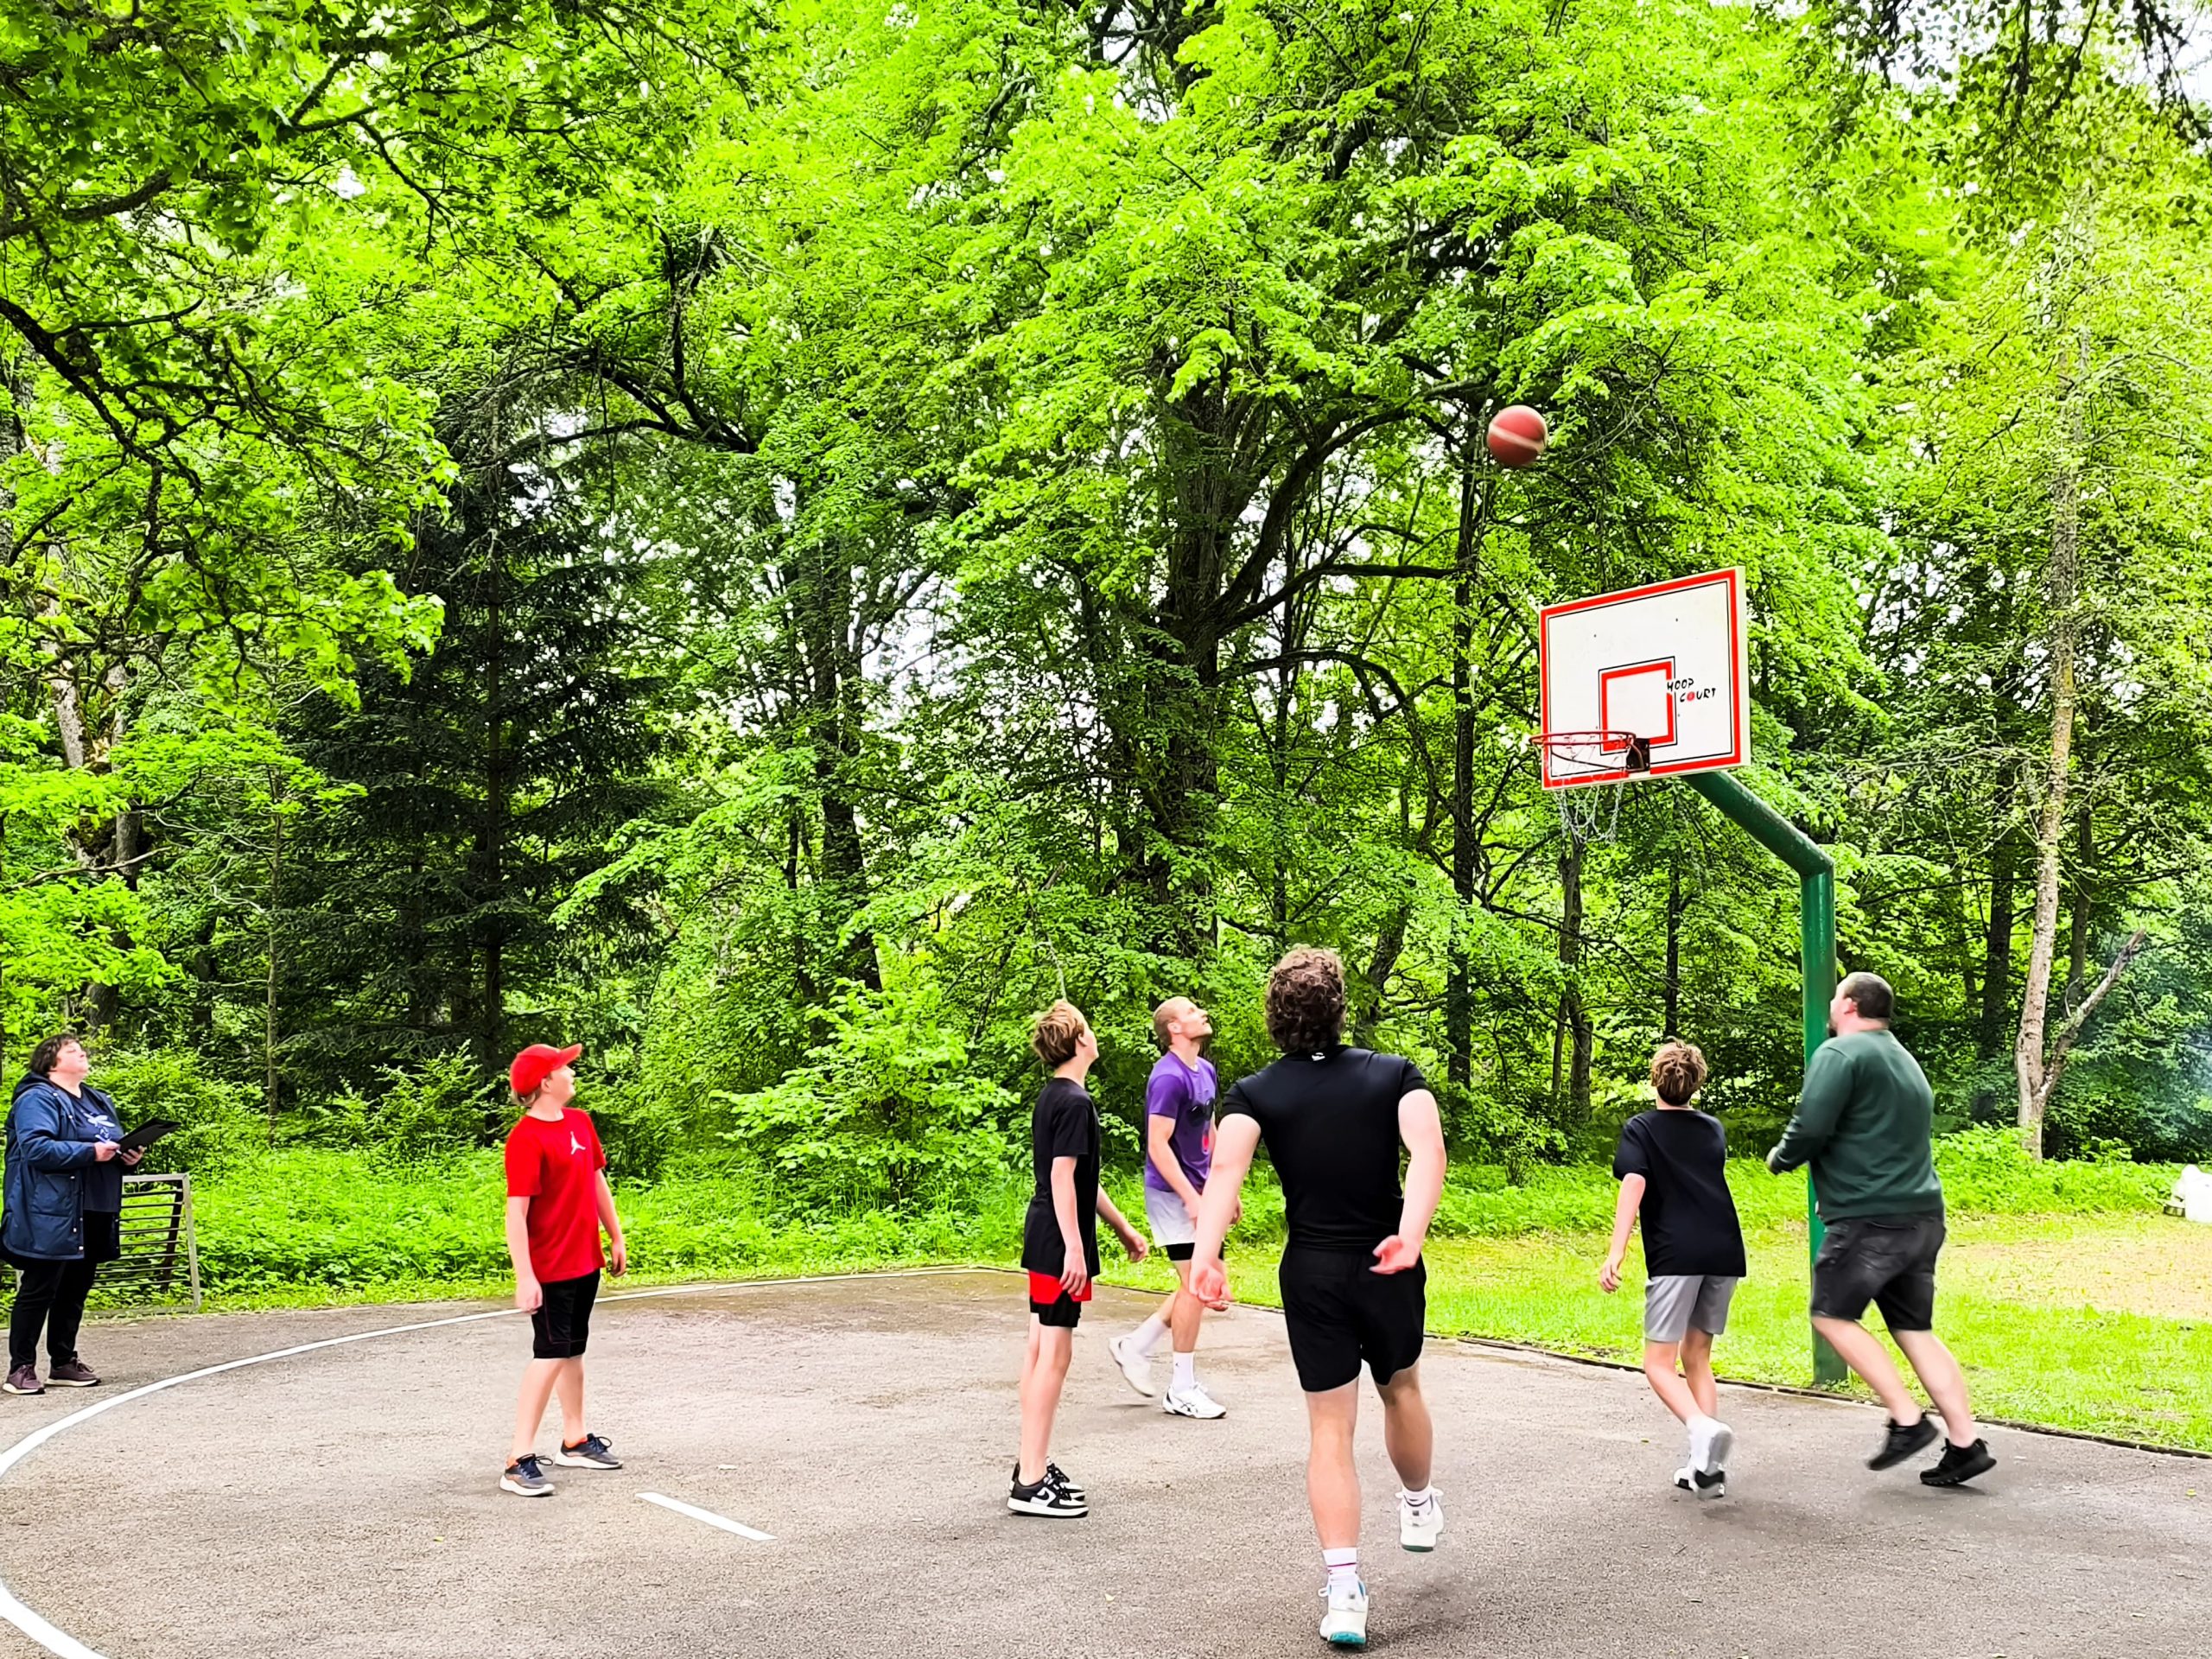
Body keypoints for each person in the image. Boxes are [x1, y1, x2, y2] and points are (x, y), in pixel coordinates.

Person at [1190, 949, 1446, 1649]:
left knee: (1329, 1430)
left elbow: (1225, 1172)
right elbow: (1428, 1151)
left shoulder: (1254, 1094)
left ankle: (1344, 1592)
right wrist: (1409, 1237)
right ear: (1340, 1010)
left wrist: (1206, 1258)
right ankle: (1418, 1505)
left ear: (1275, 1018)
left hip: (1311, 1272)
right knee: (1401, 1389)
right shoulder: (1394, 1074)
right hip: (1387, 1264)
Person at [1768, 972, 1995, 1488]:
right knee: (1915, 1329)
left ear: (1849, 1005)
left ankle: (1907, 1420)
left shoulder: (1840, 1053)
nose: (1831, 1005)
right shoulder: (1903, 1059)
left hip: (1870, 1219)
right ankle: (1965, 1444)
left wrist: (1781, 1157)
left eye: (1835, 998)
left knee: (1831, 1316)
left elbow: (1811, 1125)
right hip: (1921, 1215)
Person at [1010, 1000, 1148, 1519]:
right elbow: (1062, 1177)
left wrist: (1123, 1228)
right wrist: (1073, 1247)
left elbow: (1083, 1180)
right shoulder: (1074, 1102)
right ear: (1080, 1042)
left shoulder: (1058, 1096)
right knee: (1054, 1356)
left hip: (1046, 1234)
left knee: (1039, 1351)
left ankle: (1030, 1465)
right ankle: (1030, 1479)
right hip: (1056, 1241)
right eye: (1087, 1029)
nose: (1094, 1035)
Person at [1599, 1040, 1745, 1497]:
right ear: (1696, 1082)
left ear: (1654, 1079)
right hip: (1725, 1250)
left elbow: (1634, 1183)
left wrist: (1616, 1251)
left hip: (1677, 1253)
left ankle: (1702, 1428)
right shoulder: (1712, 1128)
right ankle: (1707, 1468)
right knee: (1697, 1356)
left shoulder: (1641, 1128)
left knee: (1658, 1363)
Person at [500, 1042, 628, 1497]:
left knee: (573, 1350)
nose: (572, 1073)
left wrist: (615, 1234)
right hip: (550, 1267)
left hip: (584, 1260)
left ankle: (575, 1439)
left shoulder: (580, 1122)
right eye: (564, 1068)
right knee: (550, 1354)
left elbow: (596, 1181)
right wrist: (525, 1276)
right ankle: (517, 1459)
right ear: (545, 1083)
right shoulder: (525, 1139)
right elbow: (516, 1213)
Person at [1109, 995, 1228, 1418]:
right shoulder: (1167, 1078)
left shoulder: (1205, 1071)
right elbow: (1158, 1146)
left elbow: (1210, 1130)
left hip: (1201, 1191)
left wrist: (1223, 1189)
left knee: (1202, 1286)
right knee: (1197, 1285)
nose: (1202, 1013)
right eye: (1192, 1011)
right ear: (1174, 1028)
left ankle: (1135, 1345)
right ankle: (1181, 1389)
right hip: (1171, 1194)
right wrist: (1191, 1199)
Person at [3, 1034, 142, 1395]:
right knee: (40, 1288)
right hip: (54, 1210)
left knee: (75, 1289)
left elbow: (110, 1145)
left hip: (96, 1205)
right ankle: (20, 1368)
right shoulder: (37, 1098)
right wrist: (90, 1152)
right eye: (72, 1050)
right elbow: (36, 1148)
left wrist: (127, 1157)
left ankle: (63, 1362)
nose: (82, 1053)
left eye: (82, 1050)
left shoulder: (98, 1099)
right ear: (51, 1062)